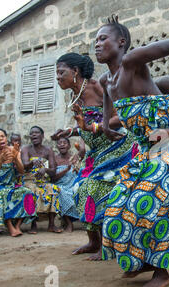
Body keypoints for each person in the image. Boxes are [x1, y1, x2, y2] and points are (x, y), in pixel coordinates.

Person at [96, 15, 169, 287]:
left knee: (153, 200)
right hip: (150, 146)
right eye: (95, 40)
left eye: (102, 39)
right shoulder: (105, 79)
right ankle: (143, 261)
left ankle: (162, 271)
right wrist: (108, 128)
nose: (96, 45)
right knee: (117, 204)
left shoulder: (131, 61)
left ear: (121, 42)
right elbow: (109, 114)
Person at [51, 52, 137, 260]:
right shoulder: (74, 95)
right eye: (56, 73)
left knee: (97, 189)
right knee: (79, 188)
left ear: (75, 71)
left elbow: (121, 116)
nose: (58, 77)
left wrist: (94, 126)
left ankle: (107, 245)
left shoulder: (96, 86)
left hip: (118, 146)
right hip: (97, 153)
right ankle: (93, 242)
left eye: (61, 72)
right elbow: (86, 125)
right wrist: (69, 132)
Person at [0, 128, 36, 237]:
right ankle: (8, 226)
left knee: (27, 193)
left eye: (3, 136)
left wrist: (16, 157)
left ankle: (17, 226)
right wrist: (0, 161)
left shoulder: (13, 150)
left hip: (11, 184)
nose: (1, 139)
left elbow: (21, 171)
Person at [21, 126, 63, 234]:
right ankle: (33, 224)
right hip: (29, 181)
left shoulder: (48, 150)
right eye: (32, 133)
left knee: (53, 189)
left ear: (42, 136)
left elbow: (53, 171)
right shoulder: (26, 149)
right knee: (32, 191)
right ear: (30, 137)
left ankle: (51, 224)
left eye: (37, 133)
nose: (34, 135)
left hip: (43, 181)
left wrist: (45, 169)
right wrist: (32, 163)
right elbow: (25, 165)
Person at [53, 137, 85, 232]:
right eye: (59, 143)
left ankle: (84, 220)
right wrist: (65, 170)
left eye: (64, 143)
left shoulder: (74, 157)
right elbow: (53, 178)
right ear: (57, 146)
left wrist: (76, 169)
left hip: (73, 185)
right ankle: (69, 222)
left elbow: (81, 173)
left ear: (69, 146)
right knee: (61, 192)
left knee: (81, 190)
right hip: (61, 186)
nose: (62, 144)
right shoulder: (54, 159)